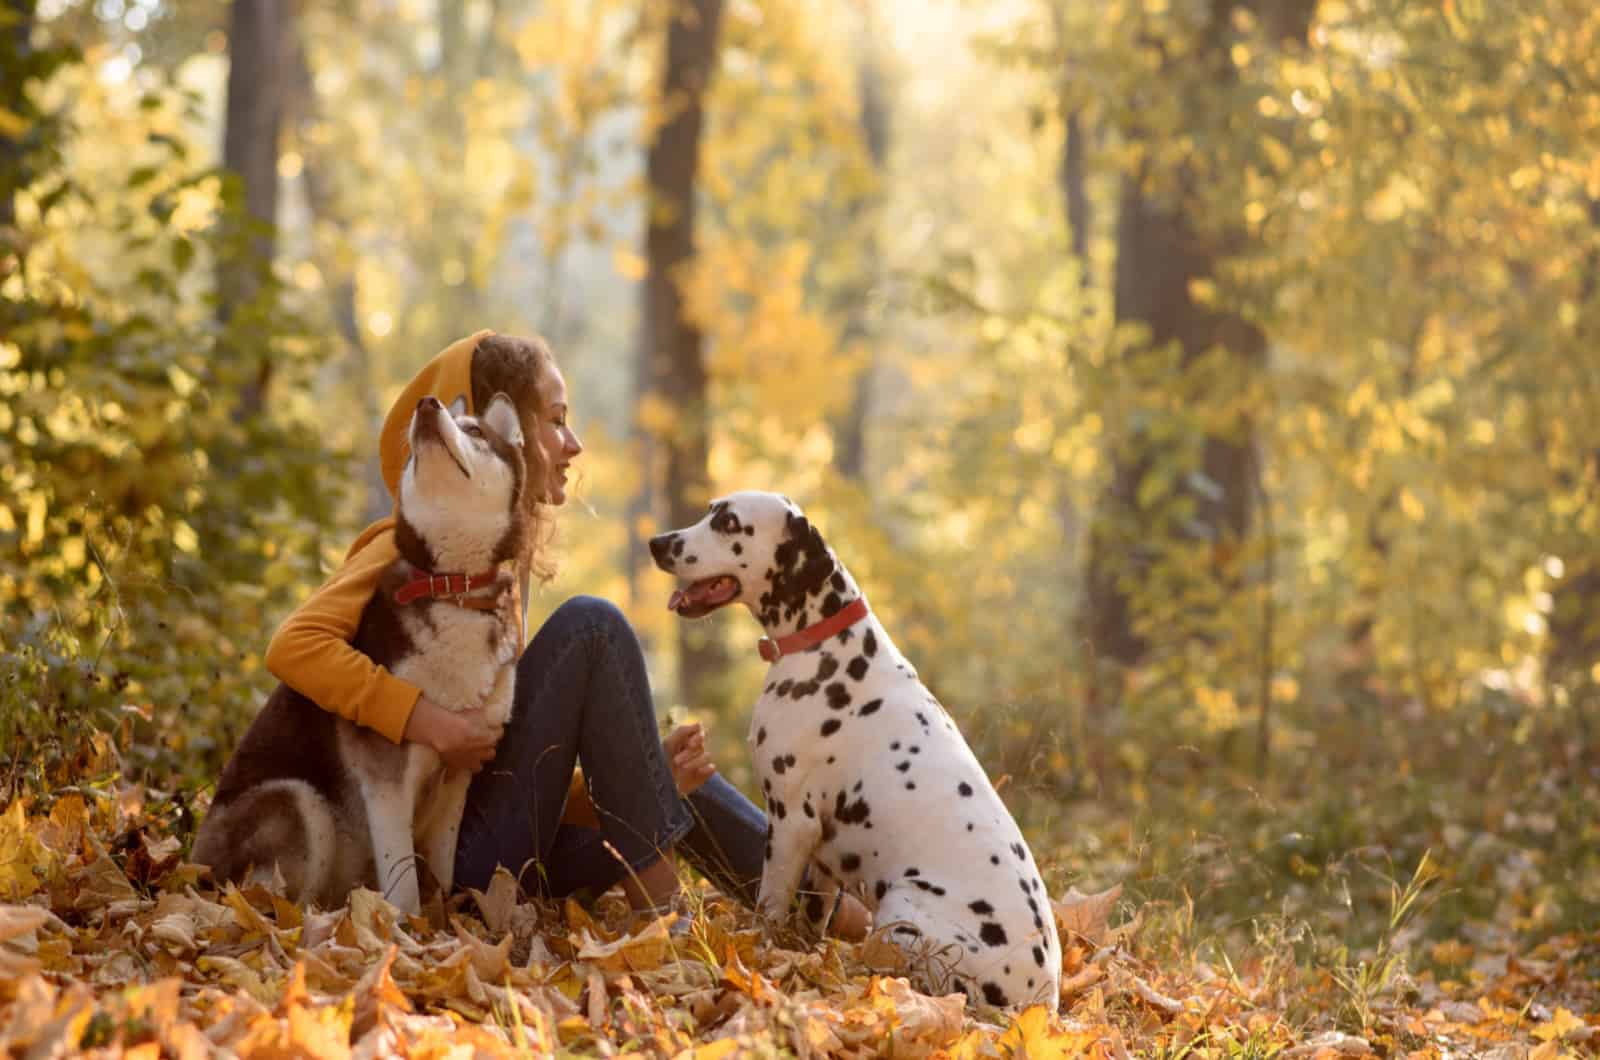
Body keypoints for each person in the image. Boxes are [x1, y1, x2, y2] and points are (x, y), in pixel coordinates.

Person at [263, 329, 869, 935]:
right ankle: (671, 921)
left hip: (492, 848)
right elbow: (296, 645)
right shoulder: (409, 553)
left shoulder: (494, 576)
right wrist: (426, 721)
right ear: (506, 434)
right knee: (592, 628)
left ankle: (838, 916)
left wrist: (648, 776)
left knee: (675, 773)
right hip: (452, 866)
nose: (573, 444)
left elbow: (507, 773)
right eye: (555, 421)